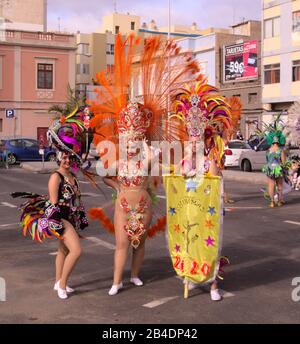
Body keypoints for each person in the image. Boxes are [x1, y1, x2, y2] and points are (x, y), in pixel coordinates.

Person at [88, 33, 199, 296]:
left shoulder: (147, 154)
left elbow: (156, 162)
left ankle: (135, 275)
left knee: (140, 243)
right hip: (124, 203)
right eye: (128, 137)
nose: (131, 141)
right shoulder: (118, 155)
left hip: (144, 202)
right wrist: (116, 186)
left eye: (135, 137)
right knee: (121, 243)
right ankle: (116, 281)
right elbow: (103, 174)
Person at [11, 106, 89, 300]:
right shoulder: (56, 177)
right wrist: (56, 224)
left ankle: (57, 282)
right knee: (76, 250)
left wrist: (80, 216)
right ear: (58, 157)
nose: (66, 160)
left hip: (70, 216)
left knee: (63, 250)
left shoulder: (72, 176)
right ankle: (63, 284)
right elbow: (53, 204)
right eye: (64, 156)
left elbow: (75, 199)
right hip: (60, 218)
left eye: (69, 157)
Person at [167, 78, 233, 301]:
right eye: (191, 141)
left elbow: (214, 185)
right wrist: (186, 163)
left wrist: (202, 167)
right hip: (189, 210)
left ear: (205, 142)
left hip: (208, 212)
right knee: (189, 242)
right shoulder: (186, 160)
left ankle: (213, 284)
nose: (193, 144)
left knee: (212, 246)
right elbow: (175, 179)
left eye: (197, 142)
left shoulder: (210, 161)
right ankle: (191, 278)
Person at [262, 135, 286, 208]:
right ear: (278, 142)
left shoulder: (268, 151)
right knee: (280, 186)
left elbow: (267, 160)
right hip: (278, 169)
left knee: (271, 186)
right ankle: (279, 202)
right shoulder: (280, 150)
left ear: (272, 142)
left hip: (269, 169)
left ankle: (272, 202)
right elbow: (283, 162)